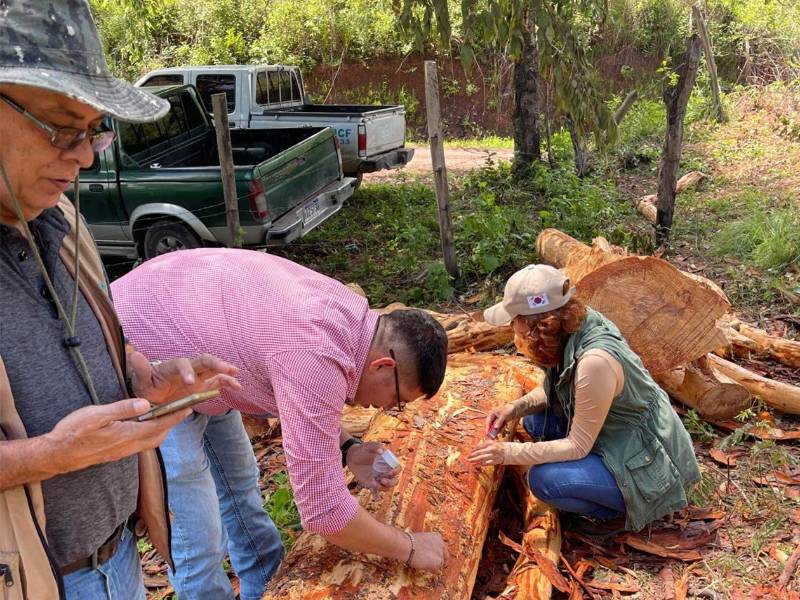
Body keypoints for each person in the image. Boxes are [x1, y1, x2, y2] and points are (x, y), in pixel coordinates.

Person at [0, 2, 241, 598]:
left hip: (114, 561)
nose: (82, 156)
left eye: (92, 132)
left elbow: (85, 335)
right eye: (60, 126)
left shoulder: (60, 224)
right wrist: (50, 454)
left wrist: (145, 376)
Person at [111, 248, 451, 600]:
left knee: (241, 488)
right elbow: (323, 512)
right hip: (145, 356)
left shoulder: (349, 319)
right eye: (397, 401)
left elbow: (303, 391)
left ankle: (266, 590)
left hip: (203, 350)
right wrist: (408, 546)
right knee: (198, 538)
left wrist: (348, 449)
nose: (386, 408)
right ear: (384, 366)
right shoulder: (315, 354)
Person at [467, 264, 700, 533]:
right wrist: (515, 407)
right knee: (534, 421)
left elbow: (578, 445)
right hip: (614, 437)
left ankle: (622, 514)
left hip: (644, 459)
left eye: (514, 319)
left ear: (537, 324)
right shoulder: (570, 329)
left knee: (544, 480)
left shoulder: (594, 363)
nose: (512, 327)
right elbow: (559, 389)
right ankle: (593, 481)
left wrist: (507, 453)